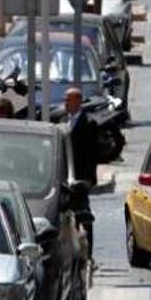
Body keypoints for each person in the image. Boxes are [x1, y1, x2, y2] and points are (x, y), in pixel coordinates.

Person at [65, 87, 97, 259]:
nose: (65, 103)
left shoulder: (88, 123)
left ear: (78, 101)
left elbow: (92, 154)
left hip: (81, 178)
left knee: (83, 213)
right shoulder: (65, 121)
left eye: (68, 100)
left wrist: (89, 179)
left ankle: (88, 253)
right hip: (67, 176)